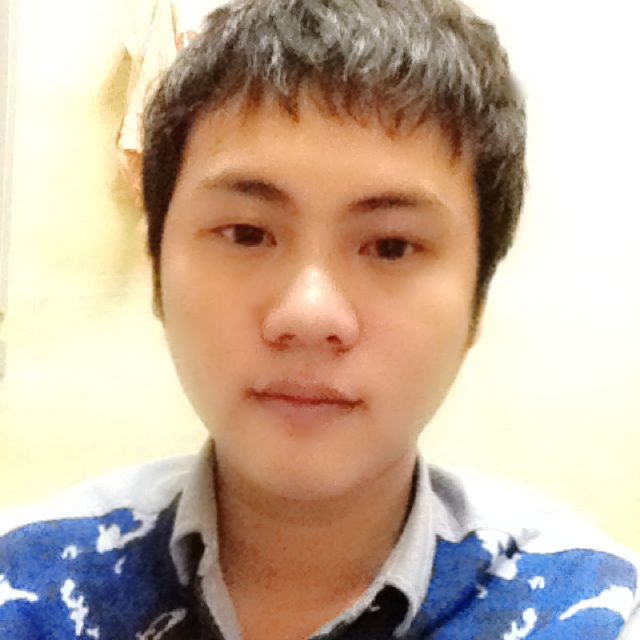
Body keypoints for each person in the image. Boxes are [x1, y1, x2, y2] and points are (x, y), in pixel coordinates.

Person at [1, 0, 638, 638]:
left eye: (392, 246)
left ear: (477, 296)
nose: (308, 314)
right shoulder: (24, 590)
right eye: (246, 233)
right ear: (158, 265)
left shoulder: (590, 613)